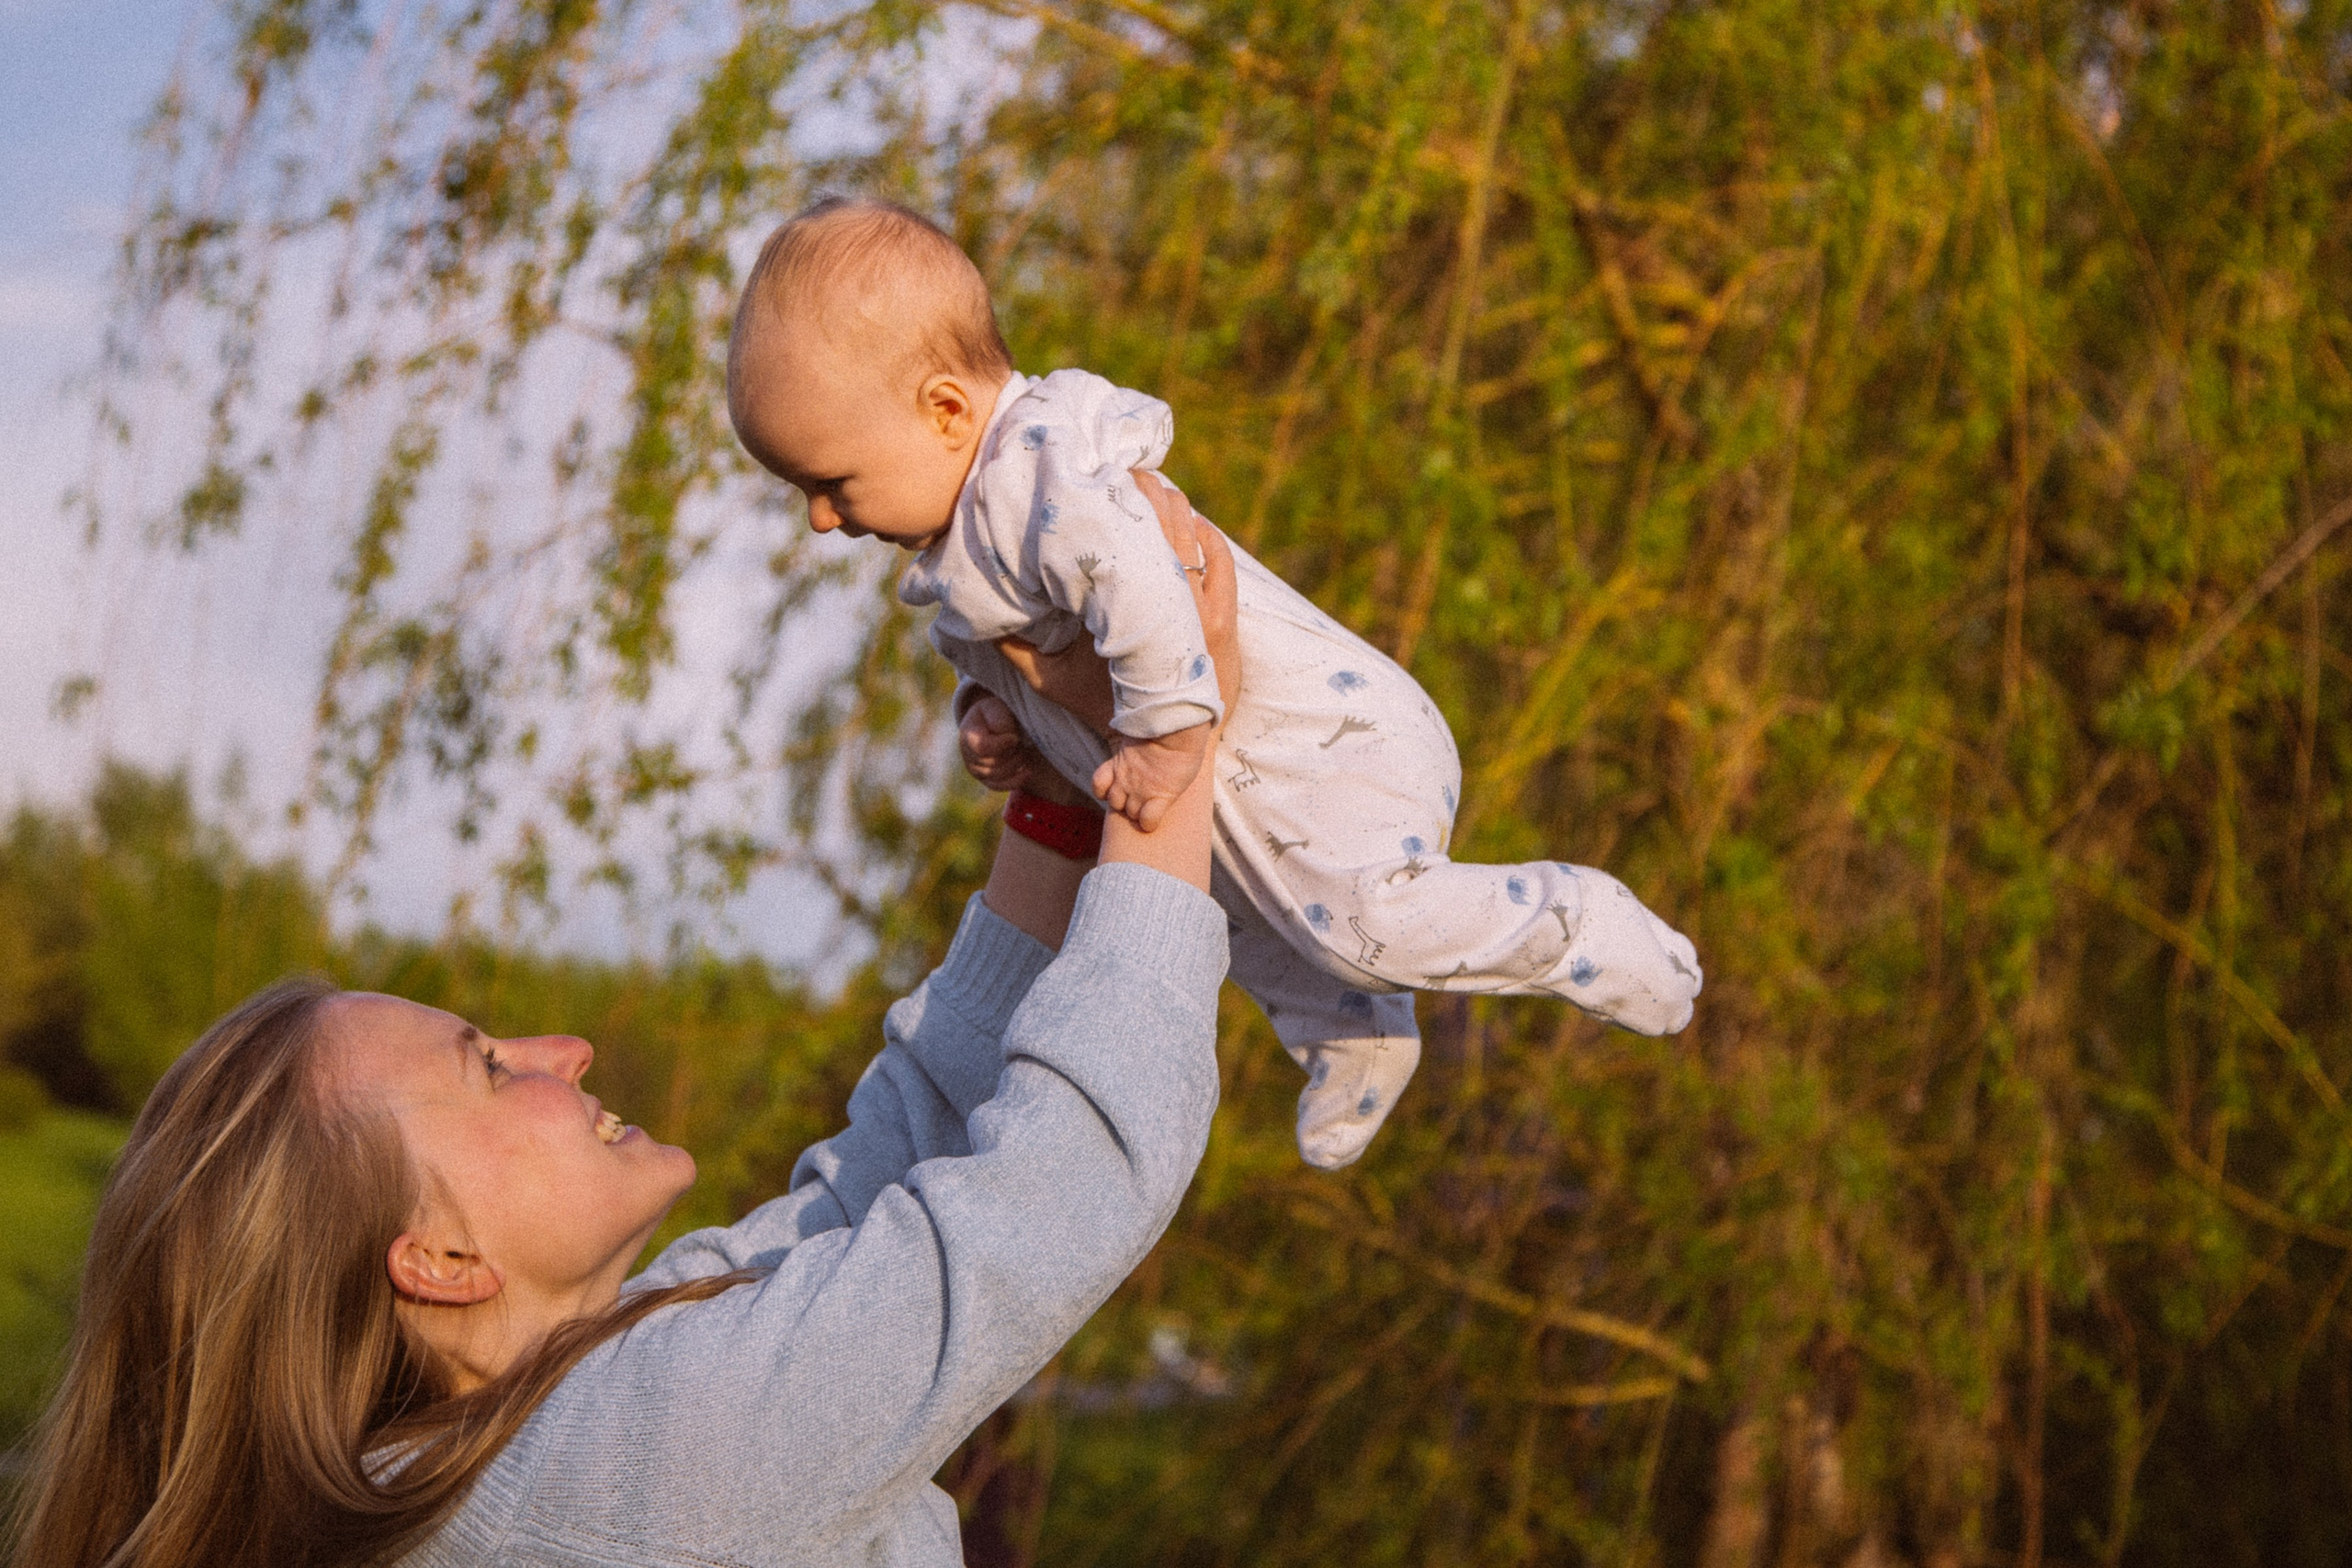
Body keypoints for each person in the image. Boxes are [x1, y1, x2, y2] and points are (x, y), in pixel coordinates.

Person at [8, 496, 1238, 1568]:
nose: (567, 1050)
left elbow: (880, 1188)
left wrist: (1060, 802)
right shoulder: (630, 1469)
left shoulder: (525, 1443)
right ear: (440, 1258)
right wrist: (1168, 738)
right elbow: (1061, 1190)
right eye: (490, 1067)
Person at [725, 195, 1704, 1170]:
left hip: (1325, 745)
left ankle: (1570, 920)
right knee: (1247, 916)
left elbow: (1148, 592)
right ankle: (1353, 1031)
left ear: (944, 411)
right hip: (1241, 774)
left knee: (1368, 921)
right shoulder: (967, 540)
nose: (820, 519)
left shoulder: (1039, 478)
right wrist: (992, 719)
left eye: (831, 482)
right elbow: (1018, 668)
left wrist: (1162, 741)